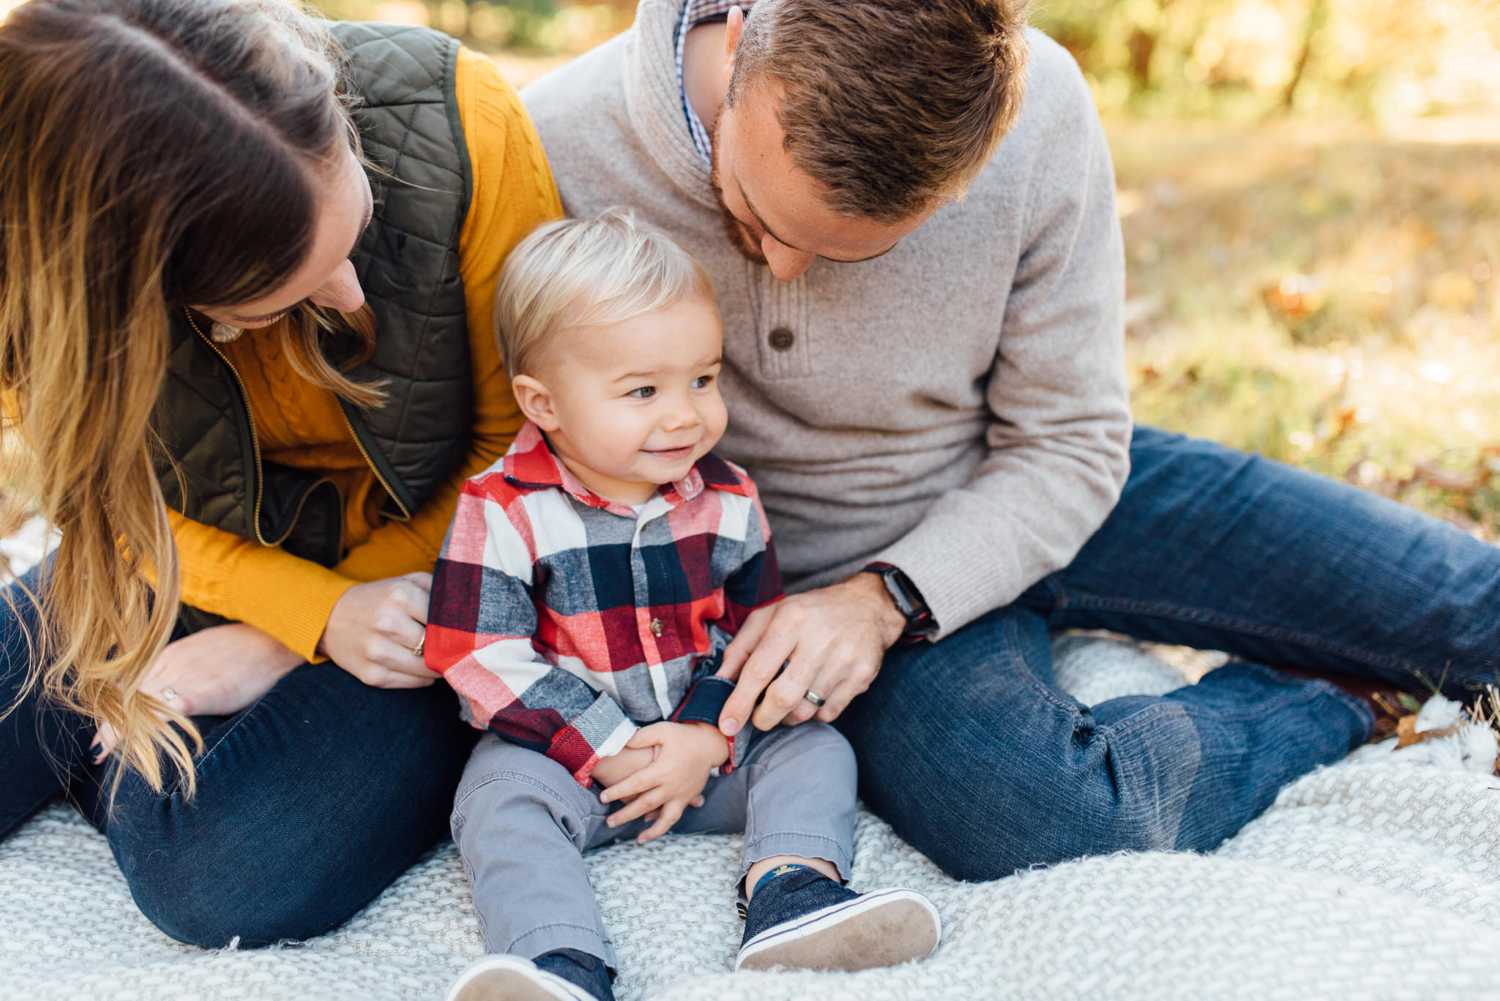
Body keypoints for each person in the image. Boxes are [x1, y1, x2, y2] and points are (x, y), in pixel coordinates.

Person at [521, 0, 1500, 882]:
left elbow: (1071, 438)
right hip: (806, 587)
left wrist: (890, 596)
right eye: (758, 212)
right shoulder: (560, 139)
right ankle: (1334, 696)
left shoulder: (1044, 113)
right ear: (740, 43)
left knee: (1473, 611)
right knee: (1068, 810)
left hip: (1042, 481)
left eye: (853, 250)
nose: (781, 265)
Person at [0, 0, 561, 945]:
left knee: (213, 869)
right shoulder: (35, 281)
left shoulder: (463, 120)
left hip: (436, 579)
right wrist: (291, 606)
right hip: (180, 553)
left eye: (352, 240)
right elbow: (116, 506)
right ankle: (151, 732)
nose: (348, 295)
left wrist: (298, 631)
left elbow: (522, 452)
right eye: (286, 296)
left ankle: (150, 744)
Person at [426, 210, 941, 1001]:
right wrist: (605, 746)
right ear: (545, 403)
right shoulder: (504, 507)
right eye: (643, 390)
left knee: (813, 746)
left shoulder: (727, 499)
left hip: (707, 756)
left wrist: (706, 733)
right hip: (569, 761)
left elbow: (748, 629)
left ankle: (790, 892)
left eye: (703, 378)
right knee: (495, 799)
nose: (684, 413)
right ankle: (557, 961)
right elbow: (474, 650)